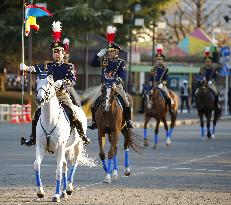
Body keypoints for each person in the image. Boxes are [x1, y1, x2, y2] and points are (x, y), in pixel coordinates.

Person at [20, 21, 90, 146]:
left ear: (63, 53)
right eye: (55, 51)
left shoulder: (68, 66)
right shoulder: (47, 65)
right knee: (36, 114)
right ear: (52, 53)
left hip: (62, 94)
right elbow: (36, 69)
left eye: (59, 51)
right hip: (48, 96)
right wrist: (26, 68)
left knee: (73, 113)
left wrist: (62, 82)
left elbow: (73, 80)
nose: (57, 54)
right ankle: (32, 137)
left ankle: (82, 135)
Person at [88, 26, 134, 129]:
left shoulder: (121, 62)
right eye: (109, 51)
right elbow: (93, 63)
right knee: (93, 102)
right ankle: (93, 121)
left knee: (126, 102)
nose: (109, 53)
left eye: (111, 51)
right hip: (104, 85)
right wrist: (98, 55)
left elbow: (123, 74)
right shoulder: (105, 61)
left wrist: (118, 79)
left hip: (116, 86)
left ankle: (129, 120)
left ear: (116, 52)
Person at [149, 44, 174, 114]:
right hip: (153, 85)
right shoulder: (153, 69)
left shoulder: (166, 69)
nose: (158, 61)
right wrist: (151, 83)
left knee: (167, 95)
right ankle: (143, 108)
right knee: (145, 94)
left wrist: (161, 84)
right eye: (157, 59)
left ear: (163, 61)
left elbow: (166, 79)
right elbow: (151, 78)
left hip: (162, 86)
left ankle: (170, 109)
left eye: (160, 60)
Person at [63, 37, 81, 107]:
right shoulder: (54, 64)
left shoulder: (70, 66)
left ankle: (78, 116)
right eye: (64, 58)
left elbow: (74, 79)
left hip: (68, 86)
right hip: (55, 86)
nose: (65, 59)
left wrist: (69, 82)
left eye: (66, 58)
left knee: (77, 99)